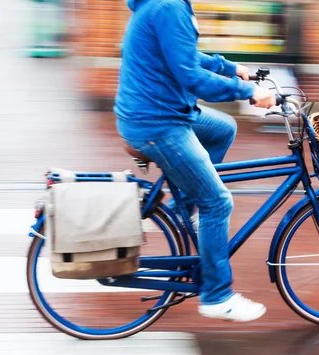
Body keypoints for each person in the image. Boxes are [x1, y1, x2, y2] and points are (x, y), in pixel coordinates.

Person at [114, 0, 277, 322]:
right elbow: (190, 76)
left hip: (155, 113)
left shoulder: (160, 5)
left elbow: (183, 55)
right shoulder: (169, 6)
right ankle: (217, 296)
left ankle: (182, 206)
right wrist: (246, 91)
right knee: (217, 202)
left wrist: (227, 67)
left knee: (222, 129)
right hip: (158, 123)